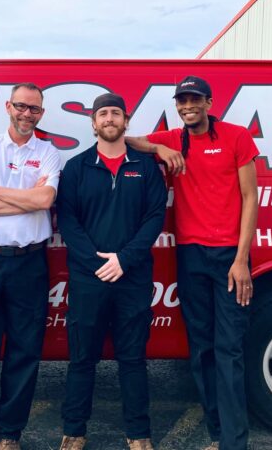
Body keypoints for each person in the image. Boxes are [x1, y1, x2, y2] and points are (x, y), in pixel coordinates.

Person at [126, 75, 259, 450]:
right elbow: (126, 140)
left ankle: (235, 443)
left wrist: (241, 260)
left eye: (194, 100)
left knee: (229, 348)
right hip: (191, 254)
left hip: (230, 257)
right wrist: (158, 148)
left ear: (209, 103)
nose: (188, 107)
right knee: (200, 347)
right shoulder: (175, 138)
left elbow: (251, 198)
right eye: (182, 101)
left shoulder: (236, 137)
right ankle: (217, 429)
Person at [56, 93, 167, 450]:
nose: (109, 119)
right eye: (102, 113)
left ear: (126, 121)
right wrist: (97, 263)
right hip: (89, 279)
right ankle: (74, 432)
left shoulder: (146, 168)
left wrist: (124, 259)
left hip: (132, 278)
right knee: (81, 359)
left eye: (115, 113)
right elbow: (68, 222)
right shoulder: (76, 167)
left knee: (133, 360)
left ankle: (139, 435)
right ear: (93, 123)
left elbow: (154, 218)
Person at [0, 82, 61, 450]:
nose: (26, 114)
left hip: (30, 262)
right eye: (21, 106)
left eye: (34, 109)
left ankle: (9, 434)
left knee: (25, 349)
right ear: (8, 106)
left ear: (41, 114)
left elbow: (45, 198)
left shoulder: (49, 153)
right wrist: (26, 199)